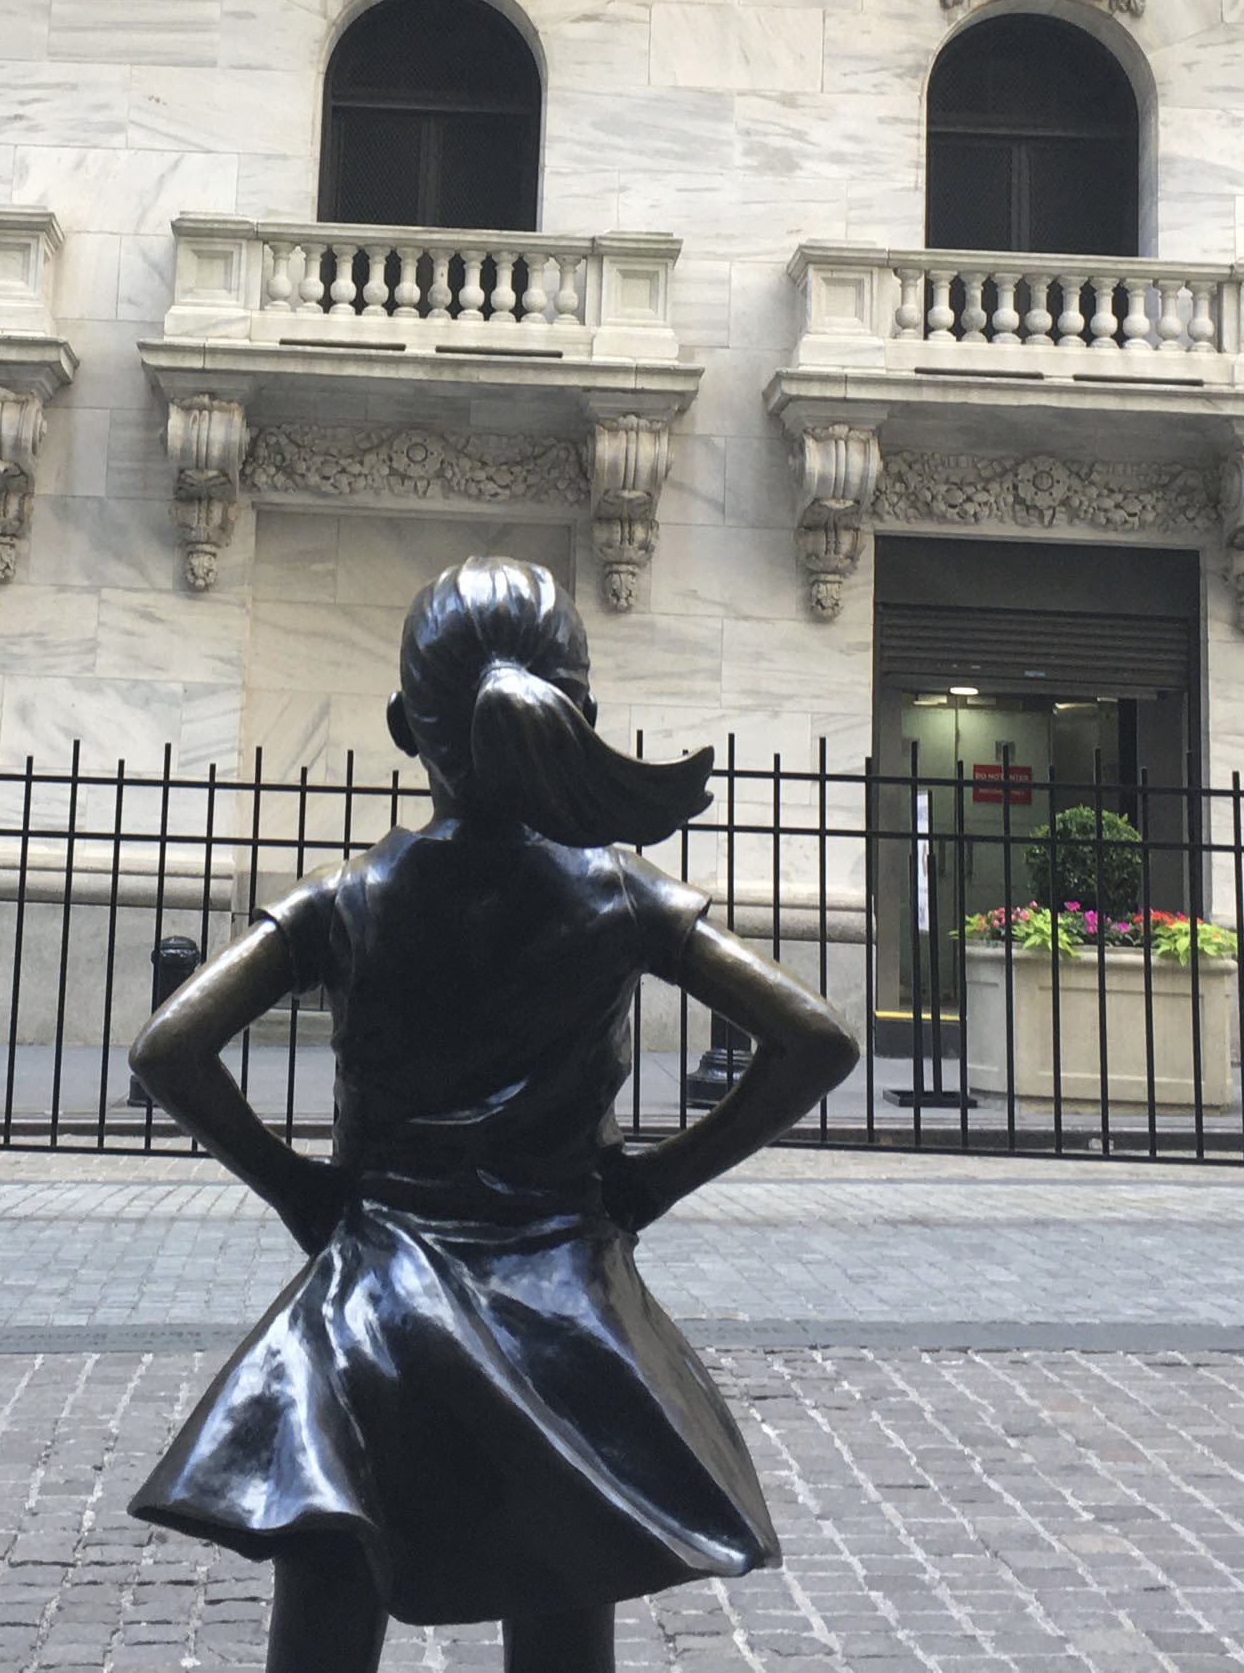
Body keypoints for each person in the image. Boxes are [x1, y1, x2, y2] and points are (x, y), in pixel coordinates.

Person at [127, 556, 860, 1673]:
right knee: (562, 1574)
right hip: (563, 1301)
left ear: (403, 727)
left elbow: (169, 1047)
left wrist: (302, 1193)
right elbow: (814, 1038)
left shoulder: (346, 899)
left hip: (371, 1299)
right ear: (583, 714)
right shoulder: (620, 892)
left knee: (330, 1572)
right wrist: (654, 1183)